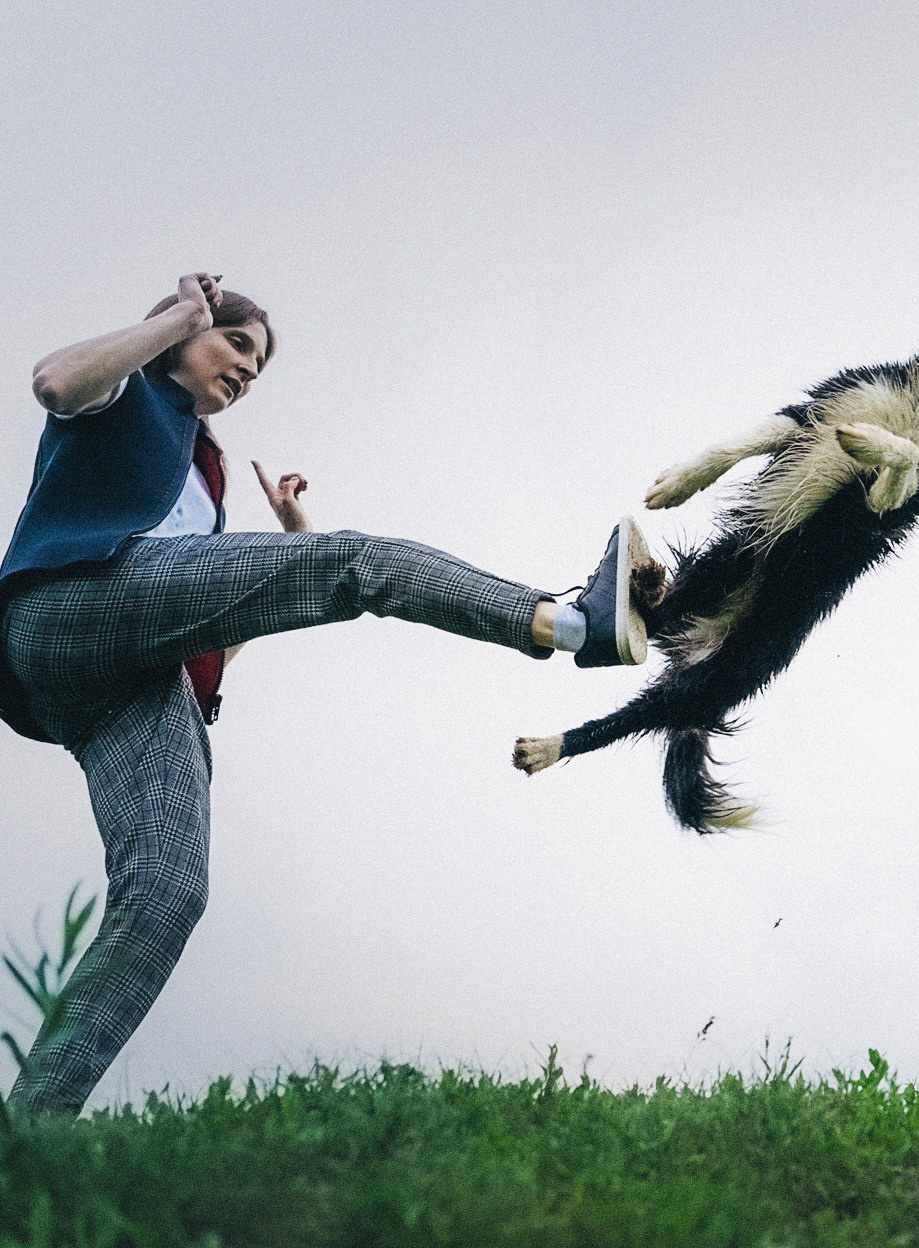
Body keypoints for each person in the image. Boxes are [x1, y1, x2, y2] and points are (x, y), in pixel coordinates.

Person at [1, 273, 661, 1119]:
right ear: (185, 332)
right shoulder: (124, 388)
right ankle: (571, 622)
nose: (246, 369)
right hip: (65, 608)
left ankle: (28, 1129)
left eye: (258, 364)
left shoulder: (202, 483)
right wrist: (173, 320)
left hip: (121, 682)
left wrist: (293, 551)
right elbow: (53, 382)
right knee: (361, 562)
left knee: (169, 892)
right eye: (236, 344)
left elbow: (213, 641)